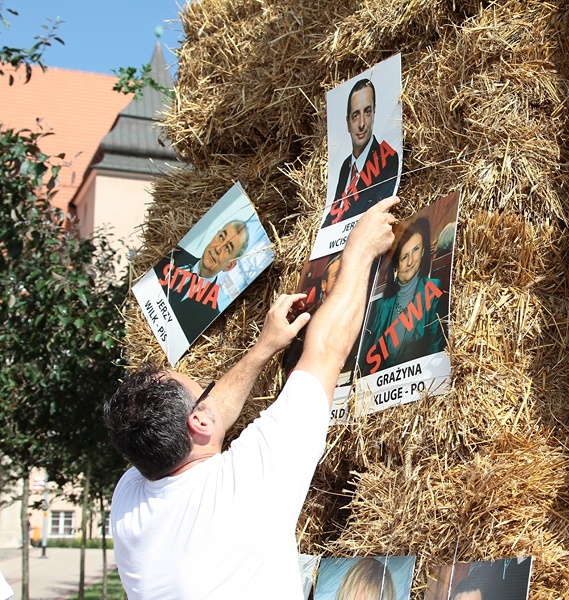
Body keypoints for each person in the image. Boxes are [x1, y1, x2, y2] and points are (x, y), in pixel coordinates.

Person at [105, 197, 399, 599]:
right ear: (198, 422)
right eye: (200, 389)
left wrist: (264, 348)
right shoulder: (243, 487)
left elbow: (212, 416)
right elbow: (325, 350)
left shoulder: (130, 501)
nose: (209, 392)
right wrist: (361, 251)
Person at [359, 217, 447, 375]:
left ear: (423, 251)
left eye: (416, 250)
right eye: (404, 256)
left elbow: (436, 348)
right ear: (397, 264)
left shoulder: (433, 289)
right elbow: (368, 354)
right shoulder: (383, 304)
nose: (411, 261)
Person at [154, 219, 251, 341]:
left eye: (227, 248)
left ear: (229, 266)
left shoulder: (211, 315)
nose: (218, 248)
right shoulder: (174, 254)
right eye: (221, 237)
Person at [323, 78, 400, 227]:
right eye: (355, 115)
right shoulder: (346, 167)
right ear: (347, 123)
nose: (362, 124)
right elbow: (335, 214)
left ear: (374, 113)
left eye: (367, 112)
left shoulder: (388, 159)